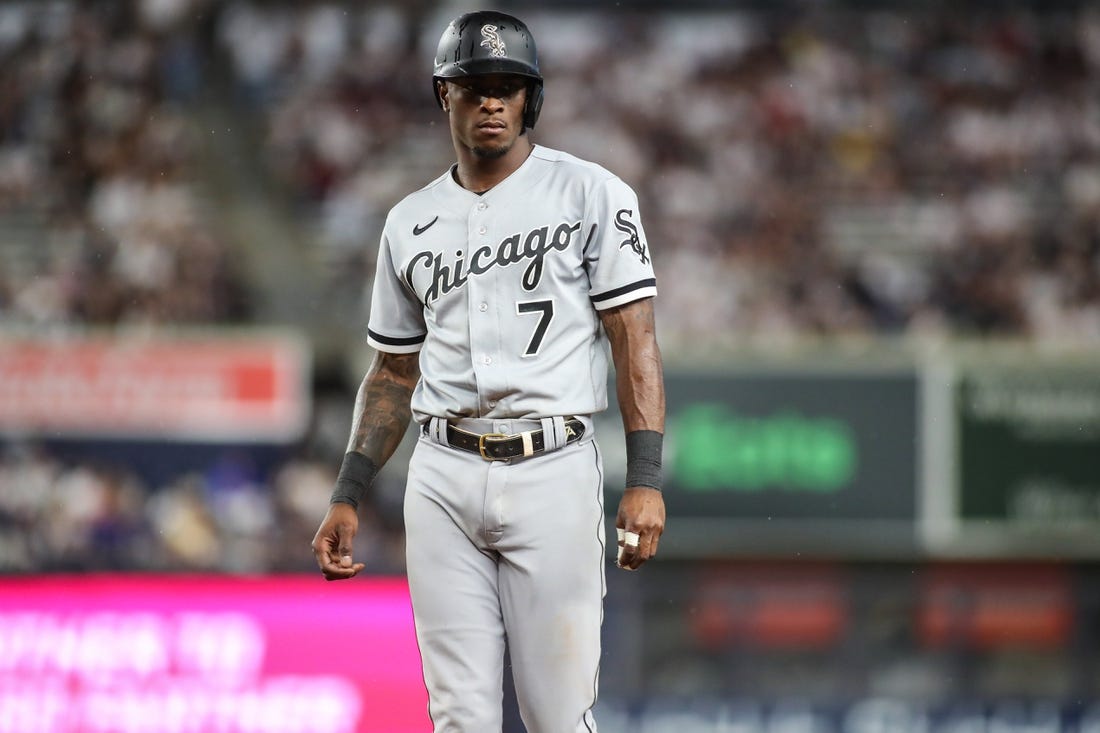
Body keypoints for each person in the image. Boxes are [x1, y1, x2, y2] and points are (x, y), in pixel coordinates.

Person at [311, 10, 666, 732]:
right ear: (446, 96)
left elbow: (635, 340)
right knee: (460, 719)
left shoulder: (592, 193)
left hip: (553, 464)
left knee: (558, 717)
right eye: (475, 87)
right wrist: (349, 490)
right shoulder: (409, 221)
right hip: (441, 472)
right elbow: (391, 373)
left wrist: (646, 478)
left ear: (532, 99)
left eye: (509, 86)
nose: (492, 101)